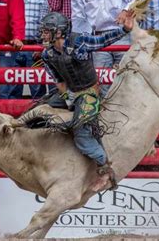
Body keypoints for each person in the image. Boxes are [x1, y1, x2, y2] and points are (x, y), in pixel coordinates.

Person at [40, 11, 135, 188]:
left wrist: (124, 30)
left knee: (81, 132)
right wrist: (68, 98)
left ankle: (104, 165)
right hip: (70, 92)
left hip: (89, 93)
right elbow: (59, 80)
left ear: (59, 32)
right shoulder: (47, 54)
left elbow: (103, 40)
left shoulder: (79, 42)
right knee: (40, 110)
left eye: (47, 31)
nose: (43, 34)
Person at [71, 0, 139, 97]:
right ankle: (107, 115)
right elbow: (78, 21)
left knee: (128, 76)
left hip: (121, 33)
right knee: (102, 81)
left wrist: (126, 11)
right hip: (99, 38)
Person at [10, 0, 49, 98]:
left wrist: (42, 46)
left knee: (37, 91)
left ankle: (37, 120)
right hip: (12, 46)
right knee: (12, 89)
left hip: (34, 48)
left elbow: (45, 22)